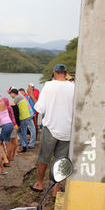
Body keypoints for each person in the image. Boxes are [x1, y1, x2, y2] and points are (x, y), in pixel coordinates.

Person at [28, 64, 75, 197]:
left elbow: (40, 109)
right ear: (66, 74)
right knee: (61, 160)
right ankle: (55, 189)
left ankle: (39, 183)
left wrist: (31, 95)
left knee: (44, 157)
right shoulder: (74, 86)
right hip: (67, 129)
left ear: (54, 73)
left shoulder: (49, 85)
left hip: (51, 128)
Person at [0, 93, 14, 167]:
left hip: (6, 125)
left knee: (3, 143)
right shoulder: (2, 104)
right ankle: (7, 158)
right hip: (9, 124)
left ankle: (7, 160)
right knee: (5, 142)